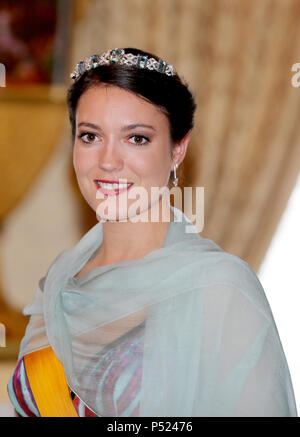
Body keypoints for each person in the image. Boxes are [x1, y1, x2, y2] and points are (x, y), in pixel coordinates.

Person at [7, 47, 298, 417]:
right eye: (90, 136)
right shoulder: (58, 284)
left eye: (137, 138)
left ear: (178, 149)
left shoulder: (219, 288)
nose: (108, 161)